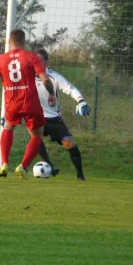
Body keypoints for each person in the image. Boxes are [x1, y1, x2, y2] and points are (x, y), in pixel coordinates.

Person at [0, 29, 57, 180]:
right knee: (37, 136)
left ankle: (4, 163)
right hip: (31, 102)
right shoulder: (32, 57)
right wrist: (52, 94)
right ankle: (23, 166)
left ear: (8, 42)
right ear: (24, 42)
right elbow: (45, 79)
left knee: (8, 127)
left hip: (12, 103)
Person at [34, 49, 90, 181]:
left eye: (40, 60)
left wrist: (81, 101)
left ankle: (80, 175)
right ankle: (50, 166)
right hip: (35, 117)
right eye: (35, 60)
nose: (37, 63)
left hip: (53, 118)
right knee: (35, 140)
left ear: (47, 62)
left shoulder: (54, 77)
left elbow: (70, 89)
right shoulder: (26, 78)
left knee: (69, 143)